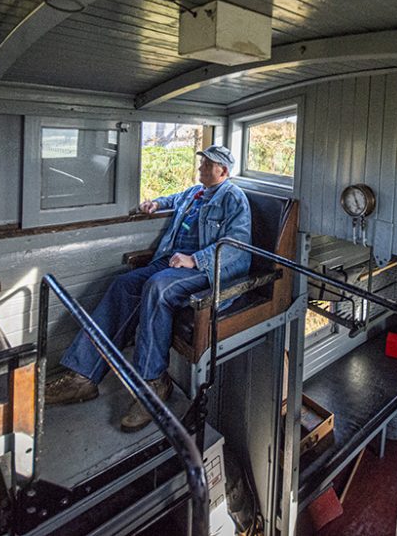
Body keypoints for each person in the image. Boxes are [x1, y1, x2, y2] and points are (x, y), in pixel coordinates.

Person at [44, 144, 252, 432]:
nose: (202, 167)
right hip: (170, 262)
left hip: (206, 271)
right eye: (202, 162)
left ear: (224, 171)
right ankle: (82, 377)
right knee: (123, 284)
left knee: (157, 287)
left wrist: (195, 259)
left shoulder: (233, 198)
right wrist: (155, 203)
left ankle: (153, 382)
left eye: (208, 164)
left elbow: (238, 247)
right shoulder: (194, 193)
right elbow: (173, 199)